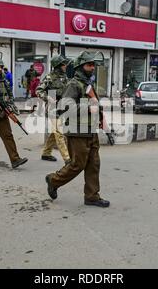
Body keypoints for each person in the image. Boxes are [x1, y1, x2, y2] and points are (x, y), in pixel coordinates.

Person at [45, 51, 110, 208]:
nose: (92, 68)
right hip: (77, 131)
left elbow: (96, 106)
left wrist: (101, 119)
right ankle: (53, 180)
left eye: (93, 65)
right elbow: (64, 107)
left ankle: (92, 196)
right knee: (77, 165)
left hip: (90, 130)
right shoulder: (73, 84)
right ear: (80, 67)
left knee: (94, 164)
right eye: (89, 65)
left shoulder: (88, 85)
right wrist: (88, 107)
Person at [36, 55, 71, 164]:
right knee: (59, 133)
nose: (66, 66)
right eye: (63, 64)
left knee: (54, 132)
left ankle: (46, 153)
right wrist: (47, 98)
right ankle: (67, 158)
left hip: (63, 107)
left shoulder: (65, 77)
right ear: (58, 66)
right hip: (53, 109)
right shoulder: (49, 77)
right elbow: (39, 90)